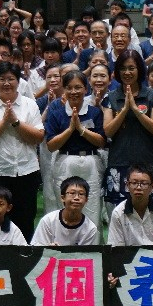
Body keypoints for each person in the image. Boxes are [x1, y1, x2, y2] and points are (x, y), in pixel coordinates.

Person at [0, 62, 44, 240]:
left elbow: (38, 137)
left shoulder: (30, 105)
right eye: (1, 79)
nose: (6, 83)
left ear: (18, 81)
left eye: (11, 79)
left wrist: (16, 122)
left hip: (26, 172)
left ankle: (24, 260)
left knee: (25, 219)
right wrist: (3, 122)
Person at [44, 70, 106, 241]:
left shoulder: (94, 112)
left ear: (86, 89)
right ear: (64, 90)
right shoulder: (56, 113)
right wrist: (71, 129)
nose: (74, 92)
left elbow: (101, 141)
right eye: (69, 88)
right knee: (67, 208)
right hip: (65, 161)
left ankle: (94, 253)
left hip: (91, 162)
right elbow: (51, 145)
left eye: (78, 87)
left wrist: (81, 129)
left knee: (92, 208)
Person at [102, 50, 153, 211]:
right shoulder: (111, 97)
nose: (127, 72)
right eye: (123, 68)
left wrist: (134, 109)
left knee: (148, 213)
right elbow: (108, 131)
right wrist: (124, 110)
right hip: (119, 163)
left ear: (139, 70)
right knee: (118, 213)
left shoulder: (152, 95)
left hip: (146, 162)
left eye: (131, 68)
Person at [107, 163, 153, 246]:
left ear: (152, 187)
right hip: (130, 258)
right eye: (134, 183)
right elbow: (116, 250)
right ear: (127, 185)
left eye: (144, 183)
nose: (138, 187)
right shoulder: (118, 213)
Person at [31, 176, 99, 246]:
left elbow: (85, 255)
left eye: (81, 194)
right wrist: (49, 249)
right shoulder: (48, 221)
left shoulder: (90, 228)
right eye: (72, 193)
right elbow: (37, 249)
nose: (76, 198)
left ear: (86, 200)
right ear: (63, 198)